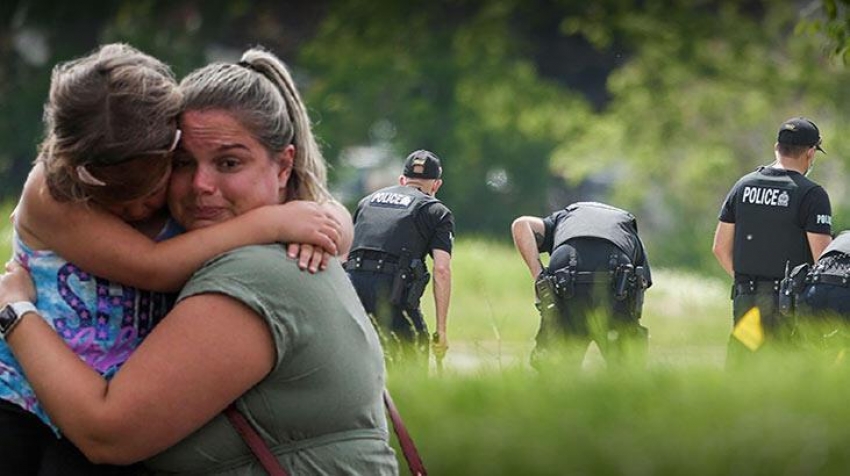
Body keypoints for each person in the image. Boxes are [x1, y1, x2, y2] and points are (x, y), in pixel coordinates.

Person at [1, 45, 359, 475]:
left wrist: (331, 223)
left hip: (95, 413)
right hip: (18, 397)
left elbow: (316, 208)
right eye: (187, 164)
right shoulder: (60, 189)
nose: (135, 211)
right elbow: (153, 266)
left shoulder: (201, 208)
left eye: (149, 193)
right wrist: (276, 221)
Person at [712, 117, 832, 365]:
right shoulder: (812, 194)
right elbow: (824, 261)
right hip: (791, 309)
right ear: (810, 153)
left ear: (776, 148)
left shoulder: (743, 186)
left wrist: (748, 284)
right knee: (786, 382)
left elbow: (720, 249)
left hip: (747, 303)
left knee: (744, 378)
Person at [345, 150, 454, 369]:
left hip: (352, 291)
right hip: (392, 293)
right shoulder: (436, 211)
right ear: (436, 185)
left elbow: (346, 252)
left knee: (361, 366)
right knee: (413, 357)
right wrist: (441, 331)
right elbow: (441, 270)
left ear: (402, 180)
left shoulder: (367, 201)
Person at [511, 201, 652, 369]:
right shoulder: (628, 227)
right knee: (627, 371)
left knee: (556, 371)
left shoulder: (561, 219)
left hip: (566, 276)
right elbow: (640, 286)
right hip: (617, 276)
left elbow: (521, 225)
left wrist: (540, 278)